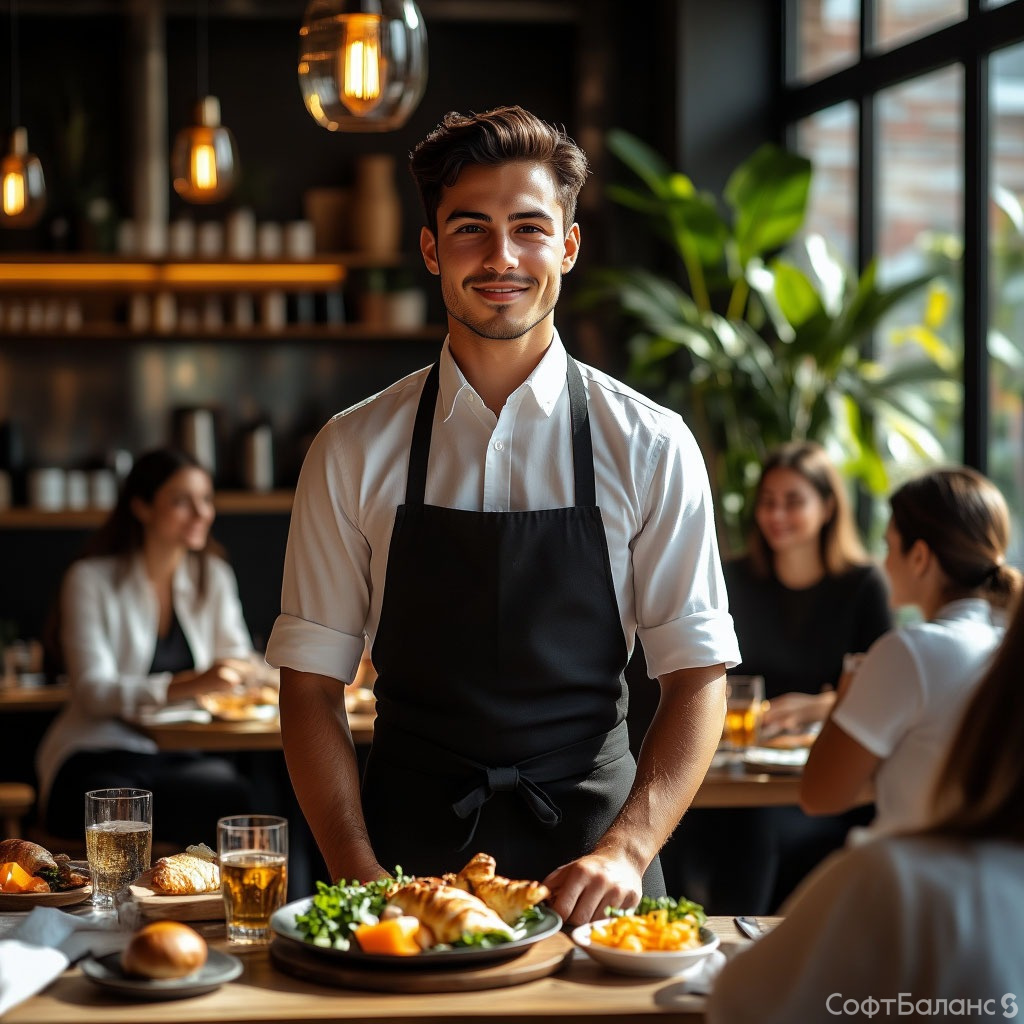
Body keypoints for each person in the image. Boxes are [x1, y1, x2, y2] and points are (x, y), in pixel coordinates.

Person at [265, 105, 740, 925]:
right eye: (471, 229)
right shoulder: (350, 448)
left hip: (600, 873)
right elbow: (310, 688)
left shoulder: (653, 445)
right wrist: (356, 870)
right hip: (401, 876)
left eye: (528, 227)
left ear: (569, 245)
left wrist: (628, 851)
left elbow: (697, 677)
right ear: (430, 250)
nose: (501, 258)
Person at [706, 568, 1024, 1023]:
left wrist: (840, 706)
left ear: (918, 555)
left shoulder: (900, 884)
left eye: (891, 546)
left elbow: (734, 1006)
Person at [669, 441, 892, 914]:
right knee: (676, 825)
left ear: (828, 507)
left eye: (794, 501)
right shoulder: (734, 579)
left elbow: (883, 693)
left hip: (818, 778)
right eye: (768, 501)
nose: (776, 514)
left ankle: (744, 960)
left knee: (755, 828)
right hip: (731, 764)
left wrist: (813, 706)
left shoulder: (863, 586)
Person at [37, 448, 260, 846]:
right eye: (181, 501)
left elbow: (239, 659)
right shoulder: (90, 579)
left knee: (243, 798)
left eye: (206, 499)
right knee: (116, 808)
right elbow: (93, 692)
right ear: (140, 507)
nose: (201, 513)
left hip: (179, 755)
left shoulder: (214, 576)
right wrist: (194, 683)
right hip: (98, 752)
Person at [800, 466, 1020, 840]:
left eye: (888, 546)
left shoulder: (911, 652)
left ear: (919, 556)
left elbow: (819, 796)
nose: (884, 564)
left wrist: (849, 689)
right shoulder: (1009, 642)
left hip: (920, 882)